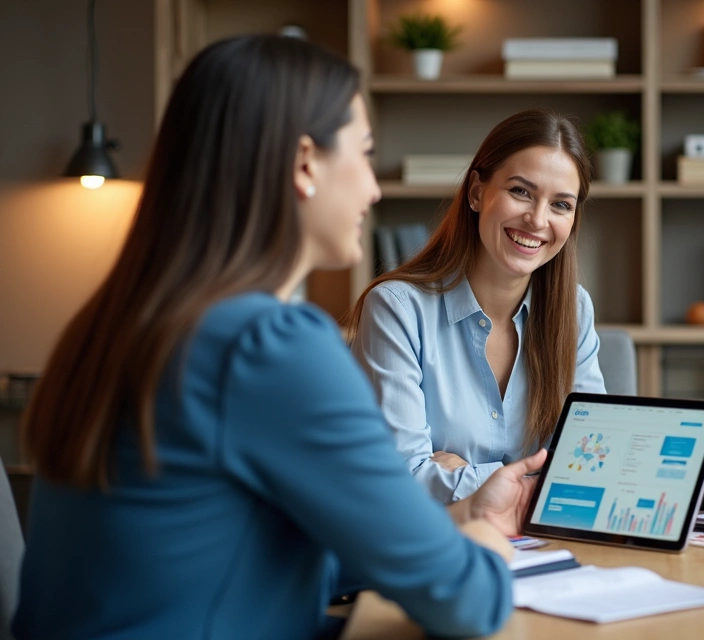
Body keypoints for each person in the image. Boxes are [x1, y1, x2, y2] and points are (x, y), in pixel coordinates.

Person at [14, 35, 542, 639]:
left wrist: (451, 519)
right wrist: (484, 549)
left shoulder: (119, 324)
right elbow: (467, 602)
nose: (373, 188)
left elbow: (243, 552)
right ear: (305, 163)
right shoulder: (267, 345)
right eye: (365, 155)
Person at [346, 109, 606, 504]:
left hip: (547, 547)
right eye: (521, 191)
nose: (537, 219)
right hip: (436, 547)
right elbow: (399, 482)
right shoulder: (397, 309)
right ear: (476, 192)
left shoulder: (574, 310)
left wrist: (466, 477)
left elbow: (592, 467)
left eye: (561, 205)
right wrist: (538, 479)